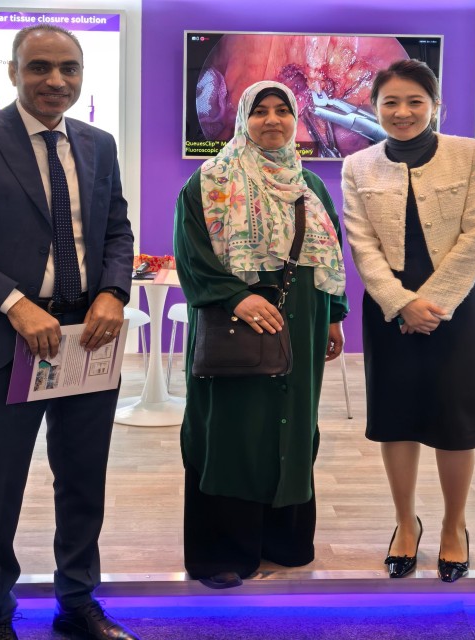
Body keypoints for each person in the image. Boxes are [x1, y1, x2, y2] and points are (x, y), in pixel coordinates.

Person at [0, 25, 140, 640]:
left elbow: (117, 231)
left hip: (87, 338)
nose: (55, 81)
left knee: (84, 479)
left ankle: (78, 603)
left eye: (69, 68)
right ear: (13, 72)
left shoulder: (98, 144)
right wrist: (14, 303)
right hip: (5, 336)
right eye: (39, 67)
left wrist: (114, 292)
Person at [173, 81, 349, 589]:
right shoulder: (209, 181)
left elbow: (330, 256)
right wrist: (236, 296)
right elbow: (191, 254)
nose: (272, 120)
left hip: (304, 320)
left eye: (282, 110)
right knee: (230, 426)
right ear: (242, 119)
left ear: (295, 119)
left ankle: (282, 541)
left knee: (293, 424)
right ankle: (223, 551)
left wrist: (333, 315)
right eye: (260, 111)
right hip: (235, 324)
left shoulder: (309, 186)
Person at [341, 59, 475, 583]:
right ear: (375, 107)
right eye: (390, 102)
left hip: (457, 307)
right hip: (390, 310)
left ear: (435, 106)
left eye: (415, 101)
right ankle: (405, 524)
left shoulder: (470, 153)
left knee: (456, 423)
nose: (402, 112)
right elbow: (362, 244)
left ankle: (455, 527)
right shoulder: (358, 165)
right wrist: (400, 303)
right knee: (397, 420)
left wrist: (430, 303)